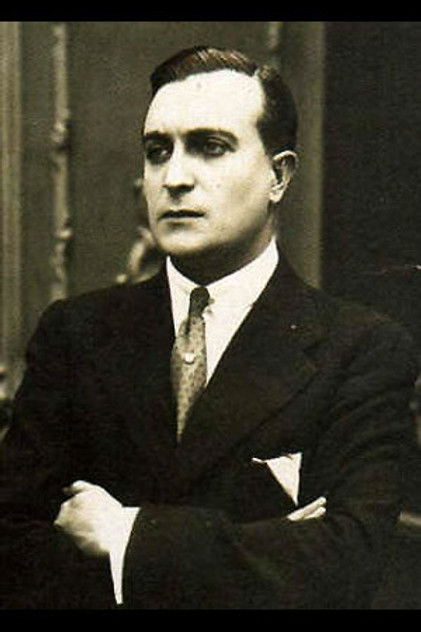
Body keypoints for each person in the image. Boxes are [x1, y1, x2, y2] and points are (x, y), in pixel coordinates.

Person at [0, 45, 418, 610]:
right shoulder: (76, 334)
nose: (174, 178)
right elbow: (13, 552)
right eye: (157, 152)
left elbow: (345, 565)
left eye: (210, 147)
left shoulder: (361, 350)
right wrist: (265, 545)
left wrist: (124, 535)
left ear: (278, 175)